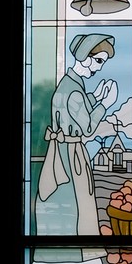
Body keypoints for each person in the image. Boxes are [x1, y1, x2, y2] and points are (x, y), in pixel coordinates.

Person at [35, 33, 119, 239]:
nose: (99, 67)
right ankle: (78, 252)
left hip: (61, 152)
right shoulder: (73, 91)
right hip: (71, 157)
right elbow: (87, 128)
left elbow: (75, 108)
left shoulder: (68, 85)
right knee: (77, 203)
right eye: (98, 61)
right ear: (84, 56)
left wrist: (96, 97)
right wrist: (105, 105)